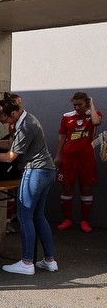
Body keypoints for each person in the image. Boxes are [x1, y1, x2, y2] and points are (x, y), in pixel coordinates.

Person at [0, 96, 57, 274]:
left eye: (4, 119)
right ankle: (49, 260)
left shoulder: (26, 125)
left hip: (35, 171)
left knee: (24, 215)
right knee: (38, 216)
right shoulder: (27, 120)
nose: (4, 123)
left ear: (13, 112)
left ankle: (27, 263)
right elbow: (12, 144)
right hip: (47, 171)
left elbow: (11, 156)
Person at [53, 92, 101, 232]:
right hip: (68, 158)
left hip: (87, 158)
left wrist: (91, 105)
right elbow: (62, 136)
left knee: (86, 188)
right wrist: (58, 155)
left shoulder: (94, 114)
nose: (77, 107)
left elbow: (97, 122)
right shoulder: (67, 116)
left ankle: (84, 221)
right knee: (67, 188)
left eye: (80, 104)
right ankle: (67, 219)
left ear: (86, 102)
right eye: (74, 105)